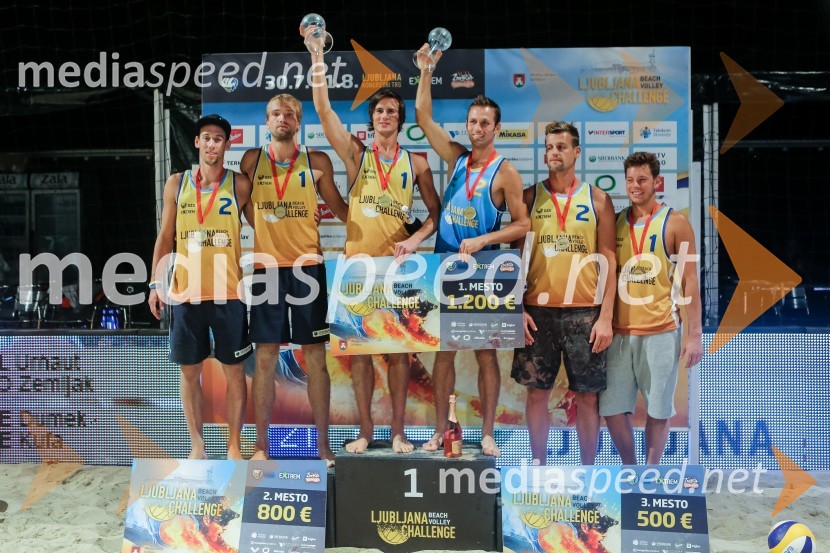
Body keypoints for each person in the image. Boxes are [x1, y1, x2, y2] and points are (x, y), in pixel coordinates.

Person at [303, 26, 442, 454]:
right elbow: (324, 111)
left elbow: (436, 216)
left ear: (400, 121)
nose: (385, 117)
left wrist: (416, 238)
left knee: (400, 354)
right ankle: (366, 431)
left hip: (399, 270)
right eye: (379, 111)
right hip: (357, 269)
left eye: (392, 112)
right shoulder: (356, 155)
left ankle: (398, 432)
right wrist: (316, 58)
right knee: (361, 356)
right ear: (373, 119)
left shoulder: (416, 162)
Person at [415, 45, 530, 457]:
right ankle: (442, 431)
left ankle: (486, 432)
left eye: (484, 122)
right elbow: (424, 119)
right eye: (472, 122)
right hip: (444, 267)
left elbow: (523, 224)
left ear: (496, 128)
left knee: (485, 355)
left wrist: (484, 240)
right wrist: (427, 71)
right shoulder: (458, 158)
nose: (477, 128)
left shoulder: (507, 171)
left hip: (482, 271)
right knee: (442, 355)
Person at [240, 93, 347, 465]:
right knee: (266, 357)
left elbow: (343, 211)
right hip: (267, 270)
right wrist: (269, 226)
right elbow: (240, 204)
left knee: (315, 357)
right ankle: (260, 447)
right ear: (266, 121)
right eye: (275, 114)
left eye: (289, 114)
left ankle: (323, 446)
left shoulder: (316, 161)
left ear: (299, 122)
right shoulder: (251, 161)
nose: (282, 119)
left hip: (308, 269)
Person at [148, 114, 253, 460]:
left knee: (234, 373)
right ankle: (197, 446)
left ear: (227, 144)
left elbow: (264, 226)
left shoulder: (238, 184)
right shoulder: (176, 184)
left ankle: (234, 446)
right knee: (189, 373)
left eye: (218, 139)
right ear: (196, 142)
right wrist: (154, 285)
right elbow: (165, 237)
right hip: (185, 295)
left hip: (228, 295)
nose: (211, 144)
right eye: (206, 138)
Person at [511, 121, 616, 465]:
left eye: (560, 147)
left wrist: (605, 317)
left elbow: (610, 261)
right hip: (537, 314)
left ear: (577, 152)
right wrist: (516, 308)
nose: (553, 153)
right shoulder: (529, 197)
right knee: (537, 394)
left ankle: (588, 472)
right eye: (549, 147)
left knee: (587, 398)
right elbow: (516, 259)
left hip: (585, 313)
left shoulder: (598, 200)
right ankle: (539, 468)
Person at [599, 151, 703, 464]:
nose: (635, 185)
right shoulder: (616, 222)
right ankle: (631, 469)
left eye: (642, 179)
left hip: (661, 331)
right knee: (612, 409)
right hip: (618, 335)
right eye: (630, 180)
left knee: (658, 409)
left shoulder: (676, 223)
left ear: (656, 181)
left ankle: (651, 473)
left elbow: (690, 282)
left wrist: (694, 334)